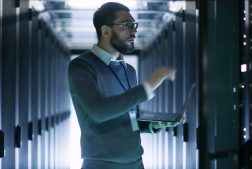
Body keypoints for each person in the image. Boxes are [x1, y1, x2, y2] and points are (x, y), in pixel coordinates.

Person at [68, 2, 181, 169]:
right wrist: (149, 85)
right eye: (127, 25)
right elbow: (99, 112)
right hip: (101, 164)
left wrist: (151, 125)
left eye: (134, 25)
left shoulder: (129, 71)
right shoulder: (81, 66)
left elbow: (128, 117)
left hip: (135, 162)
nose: (134, 31)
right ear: (106, 31)